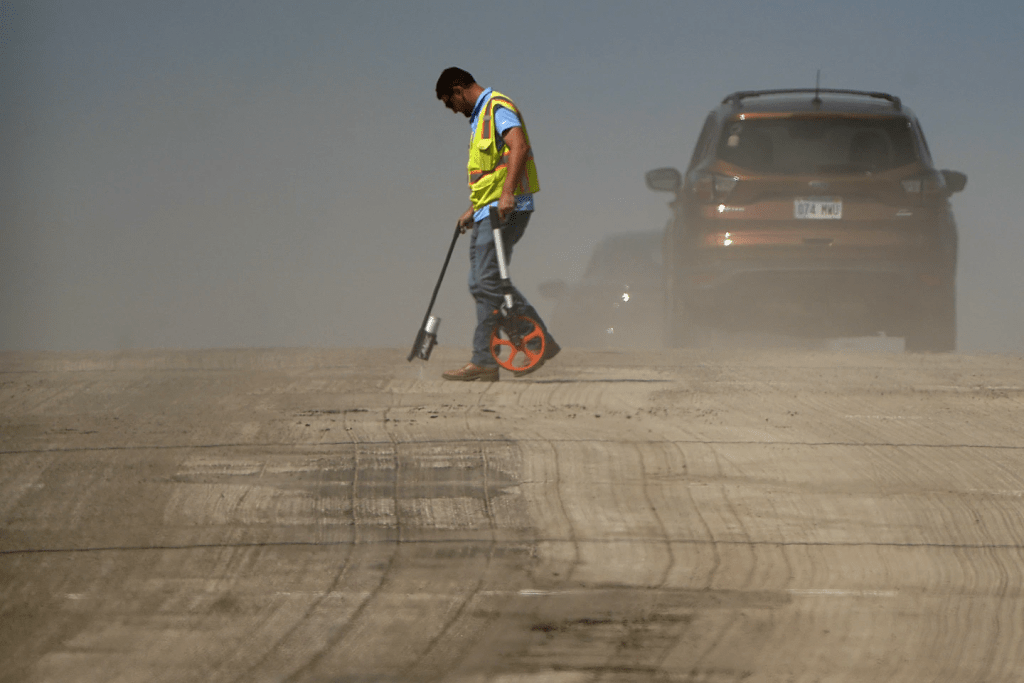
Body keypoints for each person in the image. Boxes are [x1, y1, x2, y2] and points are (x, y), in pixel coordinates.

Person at [435, 67, 559, 381]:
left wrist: (506, 195)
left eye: (450, 102)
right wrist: (472, 208)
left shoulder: (496, 107)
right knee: (479, 282)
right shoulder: (480, 117)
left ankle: (534, 342)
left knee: (486, 281)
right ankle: (486, 360)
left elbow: (518, 146)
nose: (451, 109)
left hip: (505, 210)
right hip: (486, 211)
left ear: (459, 89)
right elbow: (491, 172)